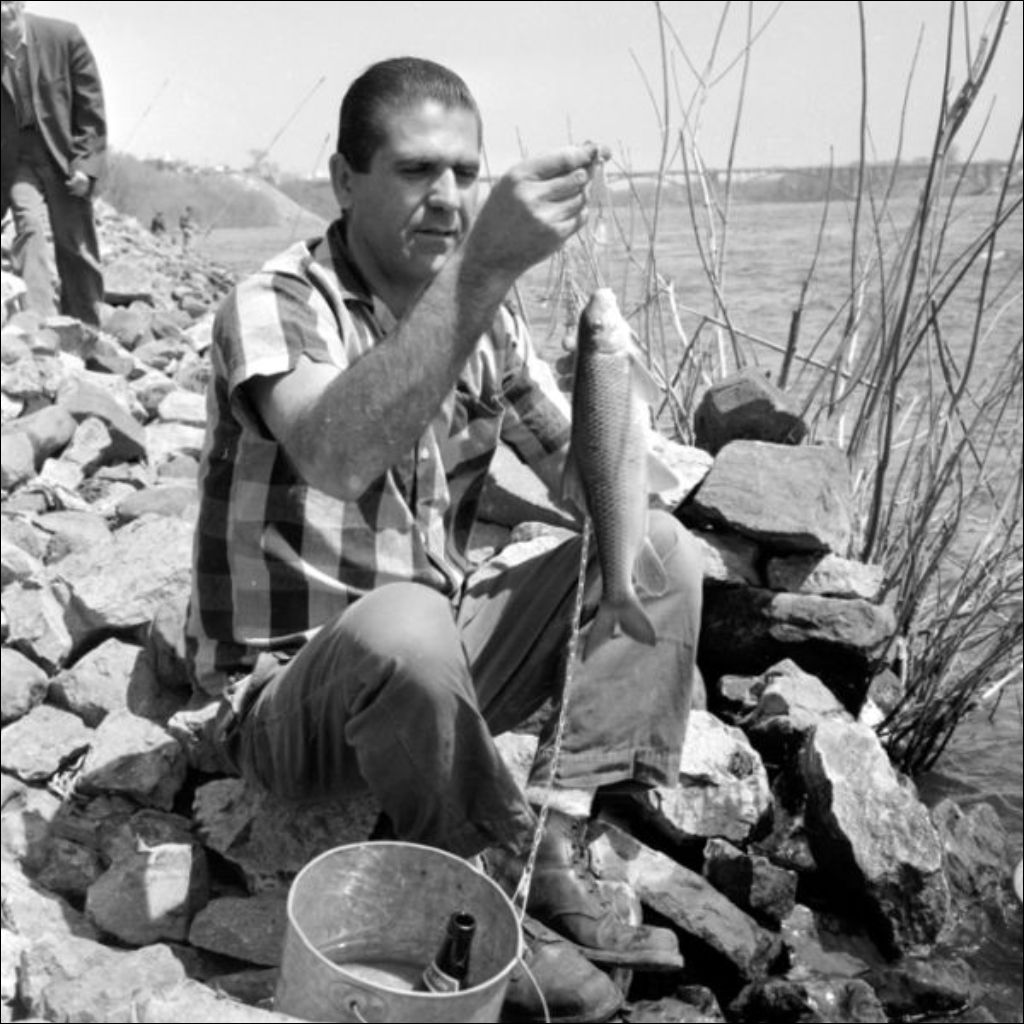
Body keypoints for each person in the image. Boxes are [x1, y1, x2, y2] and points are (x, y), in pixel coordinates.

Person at [185, 57, 703, 1021]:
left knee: (662, 555)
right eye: (418, 170)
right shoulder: (276, 304)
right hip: (290, 698)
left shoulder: (487, 318)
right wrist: (484, 267)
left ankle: (554, 835)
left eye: (467, 173)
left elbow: (580, 468)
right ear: (345, 181)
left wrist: (624, 426)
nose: (450, 197)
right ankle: (482, 891)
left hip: (433, 664)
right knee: (408, 624)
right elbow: (336, 453)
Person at [0, 0, 105, 325]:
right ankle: (41, 323)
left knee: (74, 242)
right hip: (16, 160)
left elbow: (91, 107)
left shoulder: (64, 37)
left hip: (63, 154)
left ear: (21, 3)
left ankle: (86, 326)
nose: (3, 11)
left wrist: (85, 165)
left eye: (8, 2)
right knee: (28, 225)